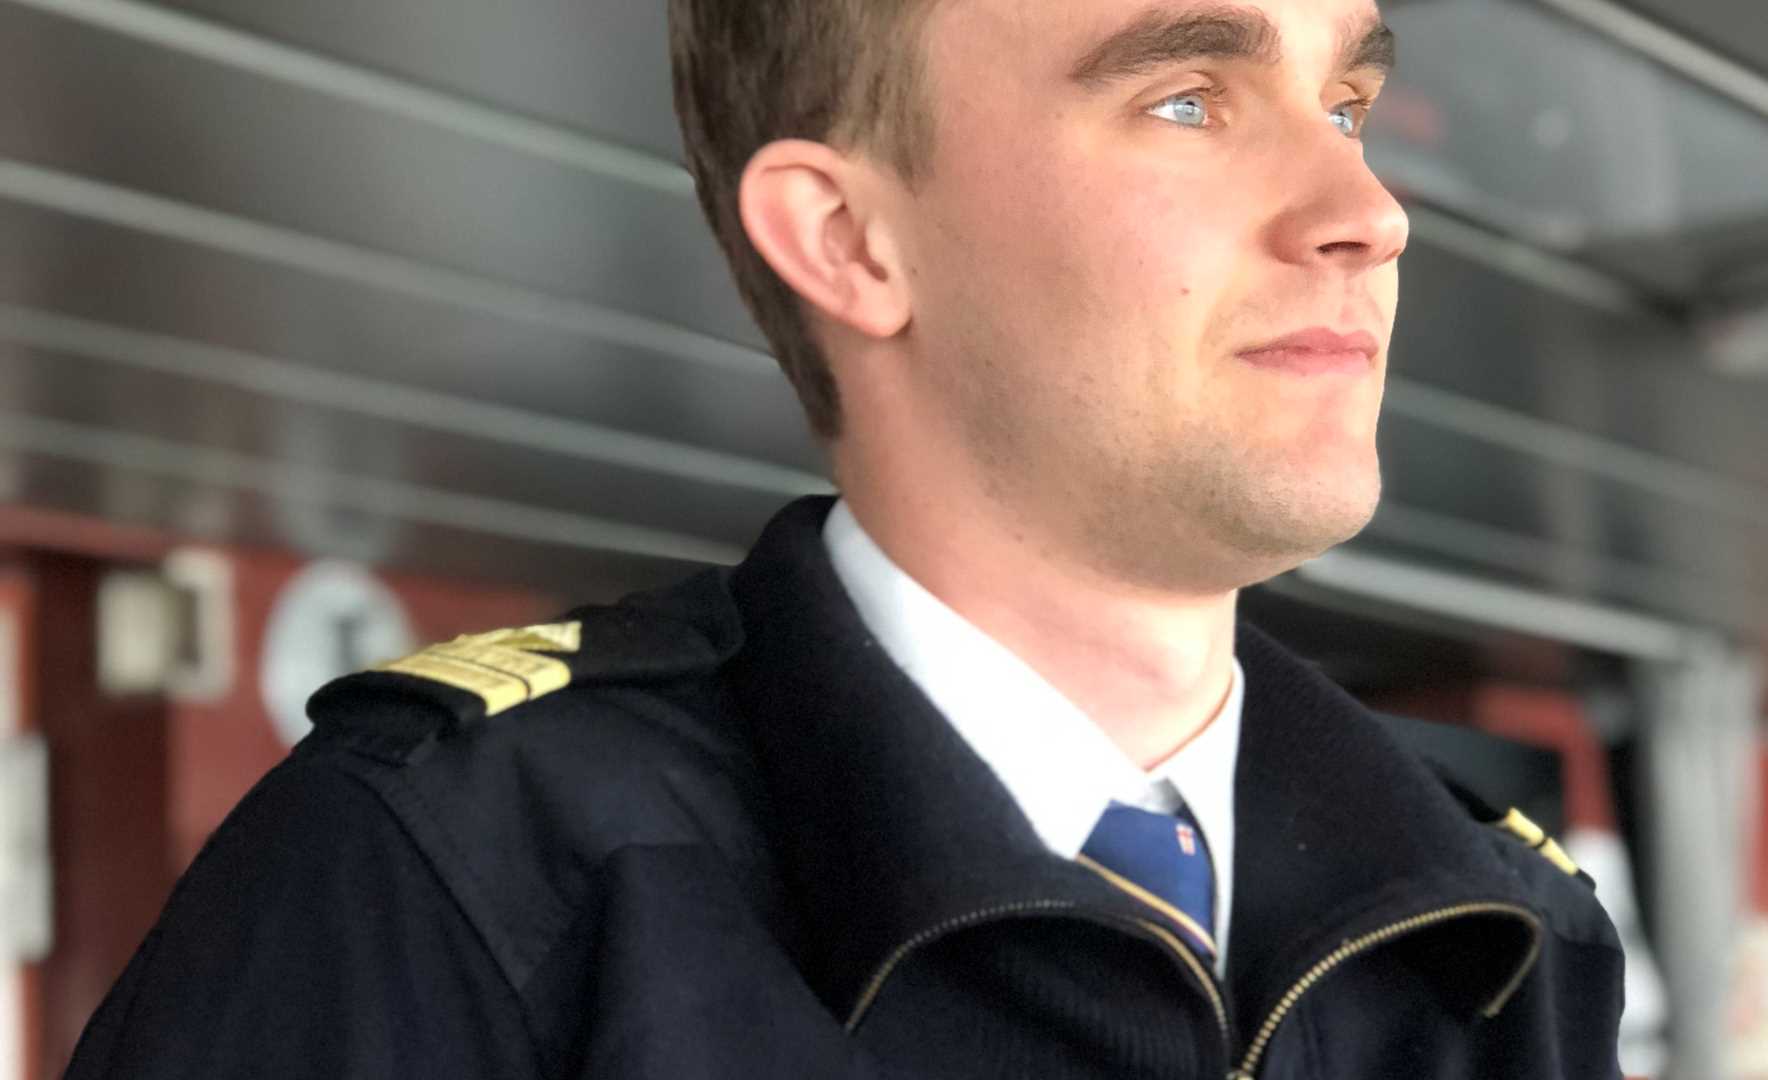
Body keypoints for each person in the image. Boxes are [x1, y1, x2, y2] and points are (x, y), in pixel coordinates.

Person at [65, 1, 1627, 1077]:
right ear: (849, 240)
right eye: (1186, 99)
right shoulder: (460, 868)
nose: (1367, 208)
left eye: (1345, 102)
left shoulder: (1504, 930)